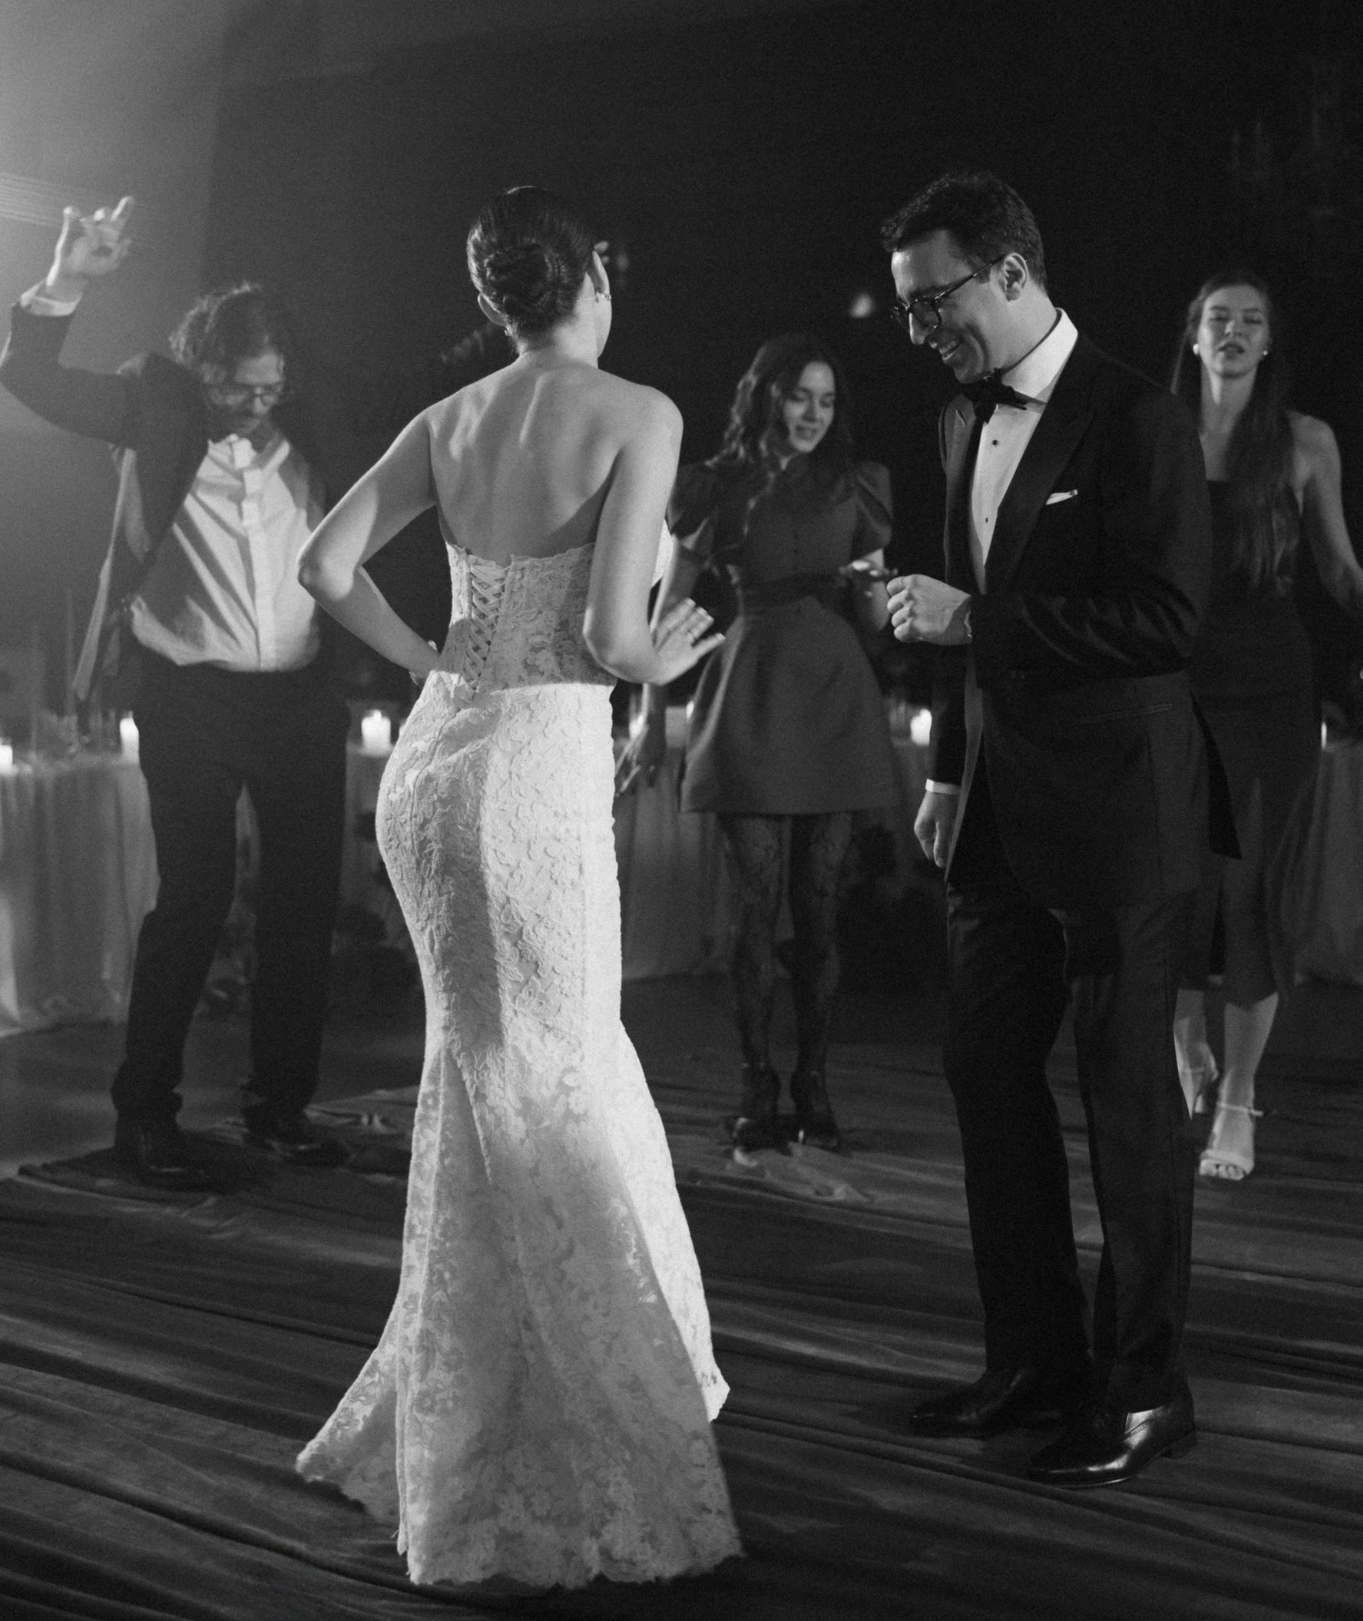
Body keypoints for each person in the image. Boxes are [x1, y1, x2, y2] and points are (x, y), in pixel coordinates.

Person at [293, 187, 740, 1590]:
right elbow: (610, 633)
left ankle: (473, 1416)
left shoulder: (450, 419)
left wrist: (424, 654)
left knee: (482, 1072)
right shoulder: (638, 412)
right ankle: (575, 1431)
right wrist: (666, 658)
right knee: (552, 1071)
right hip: (536, 764)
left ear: (497, 298)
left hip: (434, 768)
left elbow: (320, 565)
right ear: (593, 275)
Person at [883, 170, 1224, 1489]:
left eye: (935, 302)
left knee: (1128, 1103)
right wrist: (945, 771)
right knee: (983, 1069)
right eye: (911, 311)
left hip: (1122, 815)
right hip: (997, 811)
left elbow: (1164, 622)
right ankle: (1032, 1360)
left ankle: (1144, 1389)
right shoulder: (954, 417)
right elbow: (957, 624)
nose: (923, 331)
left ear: (1011, 274)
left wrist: (977, 621)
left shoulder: (1138, 416)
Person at [0, 199, 363, 1190]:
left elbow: (428, 399)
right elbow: (29, 379)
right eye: (237, 387)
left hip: (299, 700)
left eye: (270, 388)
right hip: (188, 696)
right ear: (202, 368)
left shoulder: (312, 418)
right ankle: (145, 1117)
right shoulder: (153, 405)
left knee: (301, 910)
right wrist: (68, 279)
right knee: (193, 903)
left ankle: (279, 1108)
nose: (254, 404)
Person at [617, 336, 894, 1151]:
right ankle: (756, 1088)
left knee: (818, 911)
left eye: (826, 400)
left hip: (833, 695)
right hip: (749, 692)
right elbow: (667, 611)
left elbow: (877, 625)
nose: (813, 413)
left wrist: (874, 587)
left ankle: (813, 1086)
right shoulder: (712, 486)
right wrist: (648, 715)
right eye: (800, 395)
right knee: (754, 910)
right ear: (766, 396)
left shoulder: (857, 486)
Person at [1170, 271, 1363, 1179]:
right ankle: (1184, 1041)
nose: (1233, 331)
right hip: (1173, 689)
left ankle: (1238, 1101)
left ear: (1267, 341)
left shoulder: (1304, 441)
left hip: (1270, 694)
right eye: (1218, 318)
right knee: (1175, 888)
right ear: (1192, 335)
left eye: (1250, 320)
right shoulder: (1157, 434)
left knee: (1251, 892)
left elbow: (1341, 573)